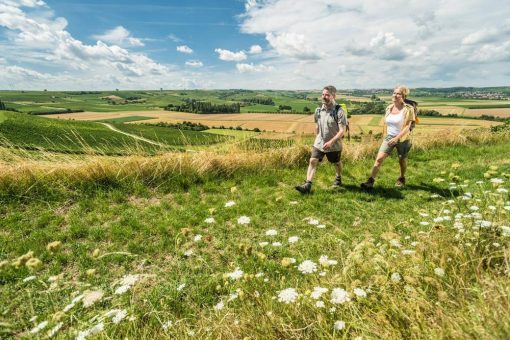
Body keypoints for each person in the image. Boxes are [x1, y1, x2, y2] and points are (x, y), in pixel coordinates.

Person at [360, 85, 416, 189]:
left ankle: (401, 178)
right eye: (394, 93)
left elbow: (407, 127)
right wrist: (388, 136)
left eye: (398, 93)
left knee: (401, 160)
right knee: (379, 159)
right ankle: (370, 181)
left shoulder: (408, 109)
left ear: (403, 96)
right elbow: (386, 123)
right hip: (389, 137)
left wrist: (397, 138)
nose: (395, 95)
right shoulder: (389, 108)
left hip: (403, 139)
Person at [295, 85, 347, 194]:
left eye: (327, 95)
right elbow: (317, 126)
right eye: (323, 94)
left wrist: (331, 141)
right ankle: (307, 184)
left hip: (334, 144)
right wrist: (317, 138)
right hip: (319, 142)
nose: (324, 97)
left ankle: (338, 178)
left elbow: (342, 131)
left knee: (336, 162)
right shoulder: (318, 110)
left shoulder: (339, 111)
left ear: (334, 96)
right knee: (313, 161)